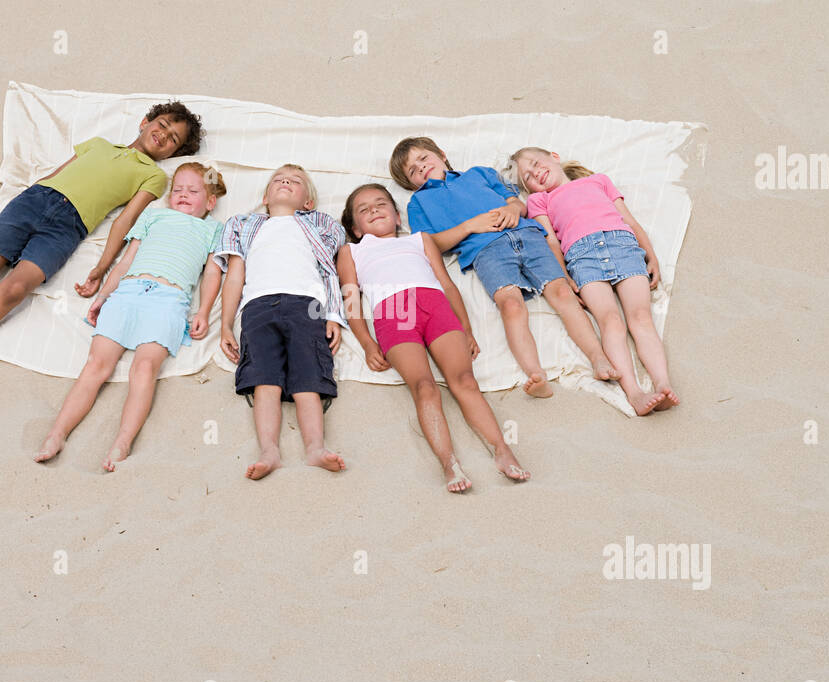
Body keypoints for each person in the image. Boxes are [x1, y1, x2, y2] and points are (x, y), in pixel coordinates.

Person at [0, 102, 203, 387]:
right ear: (145, 121)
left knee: (14, 290)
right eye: (162, 124)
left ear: (173, 154)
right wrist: (30, 196)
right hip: (34, 202)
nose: (163, 134)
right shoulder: (99, 144)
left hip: (68, 227)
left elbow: (125, 220)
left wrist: (102, 267)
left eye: (173, 138)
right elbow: (56, 174)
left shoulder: (153, 176)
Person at [390, 137, 617, 398]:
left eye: (423, 158)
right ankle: (535, 374)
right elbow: (429, 244)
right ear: (410, 183)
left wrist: (513, 210)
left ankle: (598, 358)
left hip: (528, 235)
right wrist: (469, 226)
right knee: (511, 305)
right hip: (486, 251)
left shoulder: (479, 173)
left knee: (563, 293)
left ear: (441, 154)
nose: (420, 167)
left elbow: (517, 203)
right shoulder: (419, 203)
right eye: (412, 171)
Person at [337, 183, 529, 492]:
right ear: (355, 229)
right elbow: (350, 298)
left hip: (435, 306)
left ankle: (502, 449)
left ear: (397, 216)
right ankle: (449, 463)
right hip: (394, 311)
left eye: (380, 203)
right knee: (424, 387)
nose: (373, 209)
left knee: (465, 381)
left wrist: (466, 328)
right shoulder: (352, 251)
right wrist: (367, 342)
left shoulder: (420, 240)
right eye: (363, 209)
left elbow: (447, 284)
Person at [35, 163, 227, 469]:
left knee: (144, 369)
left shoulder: (213, 229)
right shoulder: (153, 215)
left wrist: (203, 310)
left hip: (169, 299)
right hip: (128, 292)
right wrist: (102, 297)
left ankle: (122, 442)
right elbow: (126, 262)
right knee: (96, 365)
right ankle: (57, 434)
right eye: (177, 189)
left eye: (193, 191)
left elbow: (213, 274)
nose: (183, 195)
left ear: (210, 201)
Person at [510, 146, 679, 414]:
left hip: (622, 245)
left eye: (535, 163)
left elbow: (630, 221)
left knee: (640, 317)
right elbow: (551, 241)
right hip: (581, 256)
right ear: (529, 189)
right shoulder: (539, 201)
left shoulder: (598, 180)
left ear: (554, 156)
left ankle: (662, 383)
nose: (535, 173)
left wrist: (652, 256)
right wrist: (565, 276)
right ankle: (634, 393)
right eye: (527, 176)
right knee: (610, 321)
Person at [215, 165, 347, 480]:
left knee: (309, 378)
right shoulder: (245, 224)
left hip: (307, 305)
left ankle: (315, 447)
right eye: (278, 179)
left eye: (295, 181)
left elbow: (330, 270)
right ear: (264, 197)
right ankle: (269, 451)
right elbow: (234, 276)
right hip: (258, 305)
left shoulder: (318, 224)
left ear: (308, 203)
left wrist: (333, 315)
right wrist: (225, 324)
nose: (285, 181)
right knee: (264, 379)